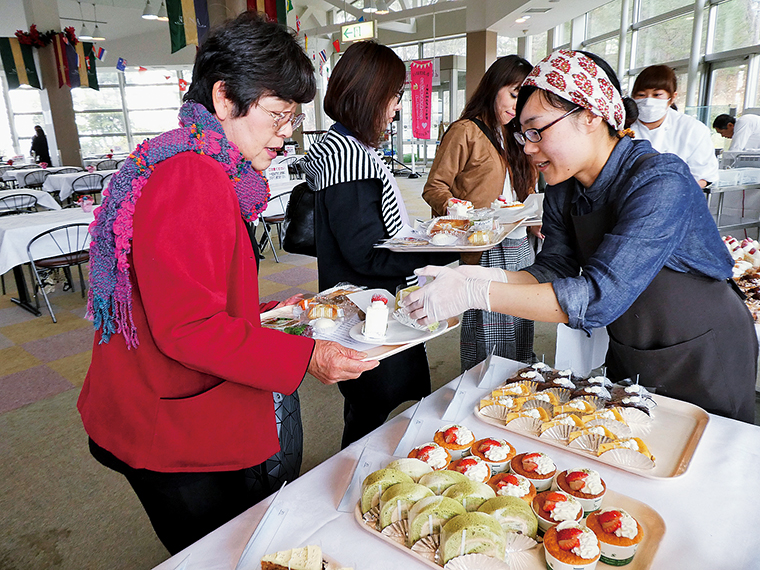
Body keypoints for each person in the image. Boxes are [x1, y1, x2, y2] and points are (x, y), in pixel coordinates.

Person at [78, 12, 377, 555]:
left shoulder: (201, 161)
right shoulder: (193, 175)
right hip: (165, 418)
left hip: (163, 395)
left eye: (292, 118)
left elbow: (177, 289)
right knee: (221, 551)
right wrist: (304, 357)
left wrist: (258, 309)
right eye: (278, 115)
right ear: (224, 98)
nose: (287, 134)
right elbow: (187, 327)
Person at [403, 49, 756, 424]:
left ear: (590, 114)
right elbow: (556, 267)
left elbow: (599, 296)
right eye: (523, 134)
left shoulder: (660, 180)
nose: (528, 146)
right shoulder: (564, 188)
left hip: (703, 349)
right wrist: (484, 276)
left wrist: (477, 294)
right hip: (634, 346)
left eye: (537, 130)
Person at [302, 41, 457, 448]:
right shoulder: (348, 155)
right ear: (370, 94)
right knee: (373, 416)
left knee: (377, 410)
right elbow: (366, 251)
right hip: (369, 312)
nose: (395, 107)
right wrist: (445, 247)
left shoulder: (343, 146)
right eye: (393, 96)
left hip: (370, 306)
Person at [422, 55, 539, 370]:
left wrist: (535, 222)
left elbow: (525, 194)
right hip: (485, 244)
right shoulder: (466, 131)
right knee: (489, 331)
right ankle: (481, 389)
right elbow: (435, 188)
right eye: (514, 94)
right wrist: (460, 210)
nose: (517, 105)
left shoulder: (518, 136)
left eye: (524, 98)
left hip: (521, 245)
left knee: (520, 323)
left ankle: (515, 387)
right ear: (494, 87)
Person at [629, 65, 718, 188]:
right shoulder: (622, 126)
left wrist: (673, 194)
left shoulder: (692, 129)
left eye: (657, 95)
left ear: (672, 98)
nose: (648, 101)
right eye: (641, 95)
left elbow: (704, 176)